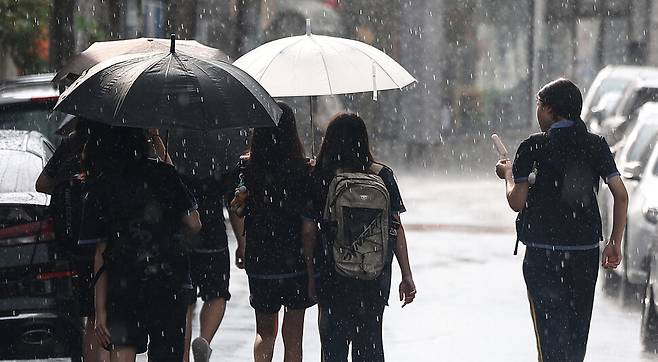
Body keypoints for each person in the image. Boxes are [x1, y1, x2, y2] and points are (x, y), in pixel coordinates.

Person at [495, 78, 628, 362]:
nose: (537, 112)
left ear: (549, 109)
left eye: (539, 106)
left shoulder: (532, 147)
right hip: (584, 253)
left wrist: (507, 175)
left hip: (542, 254)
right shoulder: (596, 145)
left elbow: (516, 202)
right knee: (576, 335)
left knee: (549, 338)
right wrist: (614, 242)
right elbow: (621, 195)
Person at [78, 126, 201, 362]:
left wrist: (100, 311)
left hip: (123, 285)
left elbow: (100, 254)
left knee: (123, 351)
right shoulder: (164, 174)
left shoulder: (101, 187)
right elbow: (194, 224)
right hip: (167, 282)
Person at [301, 112, 416, 362]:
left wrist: (310, 274)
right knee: (370, 344)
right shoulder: (382, 175)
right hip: (374, 276)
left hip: (332, 274)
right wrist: (407, 275)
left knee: (334, 348)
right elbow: (396, 228)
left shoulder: (321, 175)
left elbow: (308, 230)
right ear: (363, 140)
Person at [230, 102, 315, 362]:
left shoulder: (247, 167)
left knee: (265, 332)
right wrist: (312, 266)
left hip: (261, 257)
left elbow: (235, 207)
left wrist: (241, 245)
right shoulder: (304, 169)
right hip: (295, 259)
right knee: (294, 337)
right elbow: (308, 223)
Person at [35, 118, 108, 362]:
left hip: (77, 243)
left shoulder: (71, 145)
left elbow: (42, 184)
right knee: (113, 314)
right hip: (110, 239)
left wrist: (68, 183)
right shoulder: (118, 141)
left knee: (90, 315)